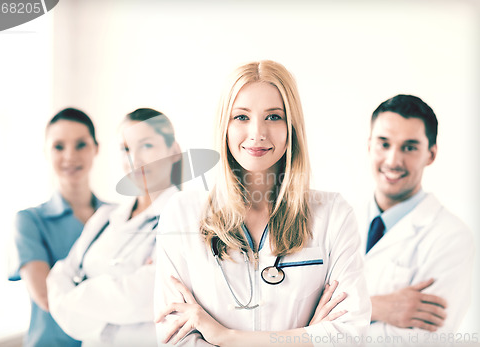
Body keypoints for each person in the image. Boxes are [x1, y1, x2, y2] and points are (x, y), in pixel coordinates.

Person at [154, 60, 371, 346]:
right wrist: (307, 338)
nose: (257, 133)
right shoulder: (182, 213)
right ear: (225, 126)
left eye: (273, 117)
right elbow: (175, 337)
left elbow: (349, 334)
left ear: (291, 125)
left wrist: (226, 337)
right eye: (241, 117)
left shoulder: (333, 214)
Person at [46, 108, 182, 346]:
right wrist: (109, 304)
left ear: (173, 152)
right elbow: (57, 277)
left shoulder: (185, 220)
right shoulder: (105, 218)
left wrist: (76, 296)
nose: (135, 160)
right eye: (126, 149)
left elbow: (142, 297)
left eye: (147, 146)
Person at [361, 94, 475, 343]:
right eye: (384, 143)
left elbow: (422, 341)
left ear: (431, 154)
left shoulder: (452, 238)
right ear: (369, 145)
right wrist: (375, 307)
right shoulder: (336, 218)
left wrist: (333, 321)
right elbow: (295, 315)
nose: (393, 160)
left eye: (409, 147)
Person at [9, 108, 103, 347]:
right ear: (46, 152)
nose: (70, 156)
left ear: (96, 149)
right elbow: (47, 296)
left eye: (81, 145)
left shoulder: (118, 217)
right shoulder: (29, 221)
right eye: (59, 146)